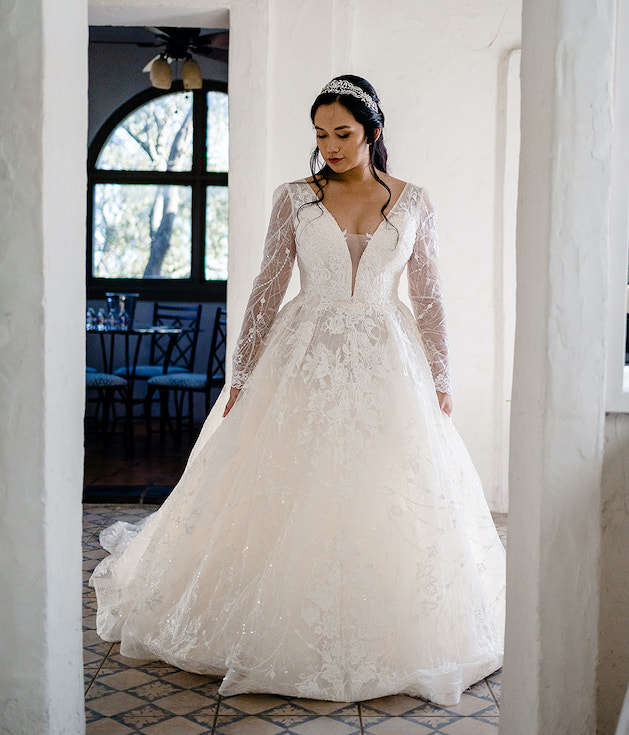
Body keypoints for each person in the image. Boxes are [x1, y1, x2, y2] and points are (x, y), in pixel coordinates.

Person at [90, 74, 505, 706]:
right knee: (285, 480)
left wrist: (442, 377)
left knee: (386, 487)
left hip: (386, 359)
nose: (331, 146)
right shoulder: (296, 198)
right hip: (303, 351)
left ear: (372, 130)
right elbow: (266, 286)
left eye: (343, 133)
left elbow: (429, 295)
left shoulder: (415, 200)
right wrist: (243, 375)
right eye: (320, 134)